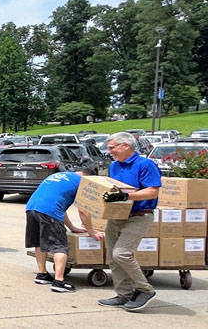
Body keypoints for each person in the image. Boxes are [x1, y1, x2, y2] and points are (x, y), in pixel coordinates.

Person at [96, 132, 162, 312]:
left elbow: (152, 191)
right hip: (117, 216)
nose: (109, 151)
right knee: (112, 257)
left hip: (139, 216)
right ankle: (123, 294)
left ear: (125, 145)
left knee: (121, 254)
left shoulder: (145, 165)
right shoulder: (114, 166)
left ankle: (145, 289)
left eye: (112, 147)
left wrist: (126, 196)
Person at [25, 171, 96, 293]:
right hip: (49, 211)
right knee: (60, 246)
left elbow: (60, 208)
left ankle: (42, 274)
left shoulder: (60, 176)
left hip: (31, 208)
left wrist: (71, 227)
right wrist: (91, 232)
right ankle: (59, 282)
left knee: (39, 243)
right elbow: (83, 211)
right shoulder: (82, 182)